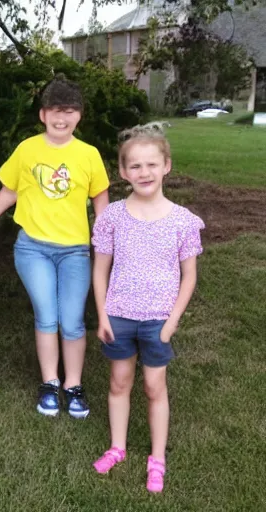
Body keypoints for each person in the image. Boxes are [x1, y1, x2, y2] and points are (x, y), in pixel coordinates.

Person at [0, 77, 110, 418]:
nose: (62, 118)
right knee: (47, 316)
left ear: (79, 116)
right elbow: (10, 191)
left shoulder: (88, 155)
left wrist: (106, 235)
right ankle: (50, 383)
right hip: (32, 249)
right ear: (42, 114)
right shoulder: (27, 149)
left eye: (70, 111)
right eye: (55, 110)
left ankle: (74, 385)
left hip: (75, 252)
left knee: (72, 321)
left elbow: (100, 196)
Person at [90, 122, 204, 493]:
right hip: (119, 315)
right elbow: (101, 268)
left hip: (159, 320)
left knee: (155, 387)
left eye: (151, 164)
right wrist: (103, 314)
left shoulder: (182, 221)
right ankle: (118, 447)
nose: (144, 173)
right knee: (119, 382)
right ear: (123, 172)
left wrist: (170, 324)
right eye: (135, 166)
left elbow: (189, 277)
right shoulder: (112, 217)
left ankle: (157, 458)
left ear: (166, 165)